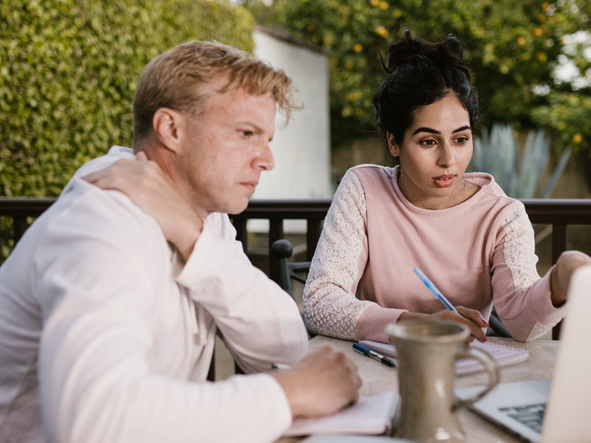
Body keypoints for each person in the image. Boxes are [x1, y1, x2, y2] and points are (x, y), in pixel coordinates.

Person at [0, 41, 360, 443]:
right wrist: (288, 393)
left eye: (267, 139)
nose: (266, 159)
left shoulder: (204, 215)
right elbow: (92, 423)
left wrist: (194, 239)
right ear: (171, 129)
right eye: (246, 133)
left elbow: (285, 344)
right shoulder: (105, 221)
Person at [303, 31, 591, 344]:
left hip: (466, 375)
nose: (448, 160)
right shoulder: (364, 189)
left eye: (460, 139)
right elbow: (320, 303)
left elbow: (524, 325)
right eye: (428, 141)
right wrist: (419, 325)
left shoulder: (502, 216)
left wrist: (559, 282)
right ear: (393, 141)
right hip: (376, 370)